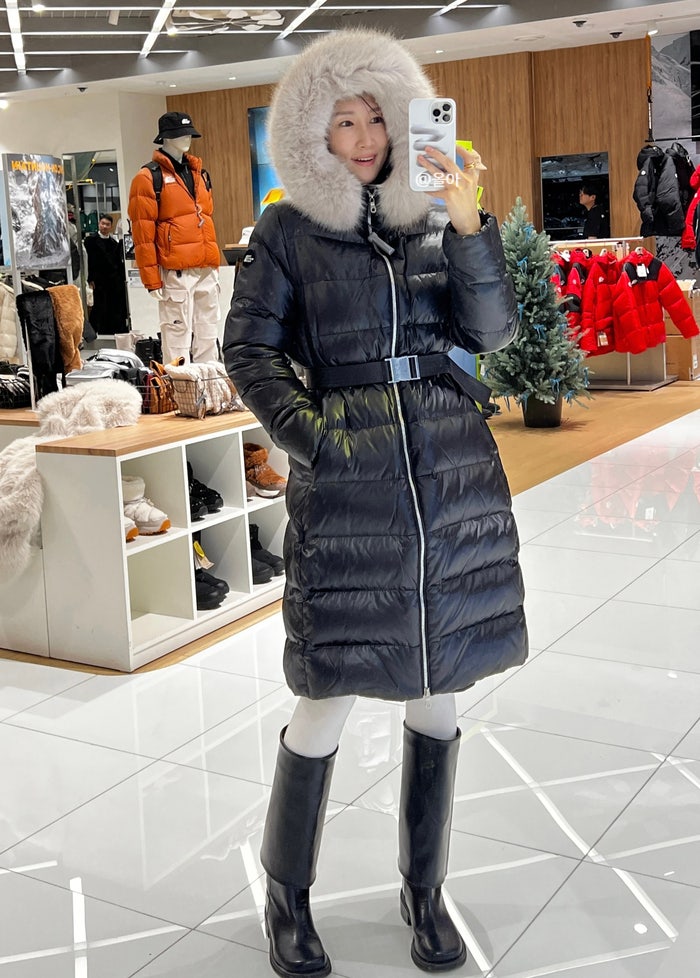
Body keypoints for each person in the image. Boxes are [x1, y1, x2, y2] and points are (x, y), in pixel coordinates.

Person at [223, 29, 528, 978]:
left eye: (375, 119)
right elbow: (248, 351)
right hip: (350, 482)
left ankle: (423, 891)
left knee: (438, 689)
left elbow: (493, 333)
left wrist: (469, 226)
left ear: (402, 122)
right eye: (343, 122)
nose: (363, 138)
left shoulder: (437, 215)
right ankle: (287, 895)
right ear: (313, 134)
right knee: (324, 696)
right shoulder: (285, 230)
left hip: (449, 475)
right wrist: (318, 439)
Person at [128, 111, 221, 363]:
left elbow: (205, 217)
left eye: (188, 134)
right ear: (165, 138)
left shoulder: (200, 174)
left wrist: (213, 264)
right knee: (178, 335)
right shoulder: (148, 178)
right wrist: (152, 280)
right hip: (176, 271)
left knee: (208, 334)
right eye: (180, 134)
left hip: (206, 267)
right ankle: (180, 386)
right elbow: (143, 235)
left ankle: (208, 385)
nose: (186, 139)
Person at [83, 213, 129, 334]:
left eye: (107, 224)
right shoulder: (90, 241)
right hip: (97, 281)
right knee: (99, 306)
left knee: (111, 306)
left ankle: (110, 330)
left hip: (112, 281)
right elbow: (87, 261)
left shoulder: (114, 243)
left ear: (111, 226)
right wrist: (90, 279)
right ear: (99, 224)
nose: (104, 226)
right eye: (103, 223)